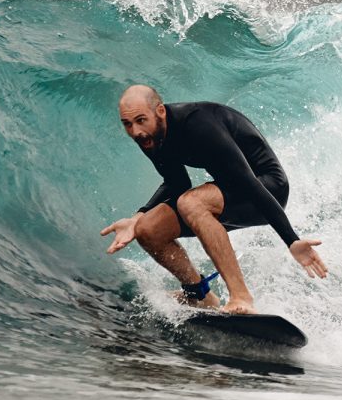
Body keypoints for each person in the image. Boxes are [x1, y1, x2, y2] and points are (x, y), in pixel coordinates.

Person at [102, 85, 328, 314]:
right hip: (233, 192)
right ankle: (198, 295)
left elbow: (250, 184)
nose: (135, 131)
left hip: (267, 189)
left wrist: (291, 240)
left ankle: (241, 297)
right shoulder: (151, 136)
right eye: (127, 124)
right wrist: (137, 217)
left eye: (141, 120)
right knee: (147, 229)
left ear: (160, 111)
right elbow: (177, 183)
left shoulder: (198, 125)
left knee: (191, 202)